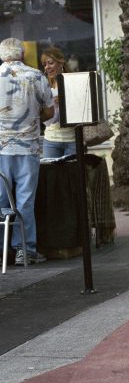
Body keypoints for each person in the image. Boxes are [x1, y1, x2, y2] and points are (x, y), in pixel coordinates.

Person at [0, 38, 55, 265]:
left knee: (1, 199)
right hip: (28, 146)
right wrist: (32, 116)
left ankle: (2, 251)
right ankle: (25, 249)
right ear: (22, 54)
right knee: (25, 200)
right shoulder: (36, 76)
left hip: (1, 149)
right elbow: (50, 112)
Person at [39, 46, 77, 159]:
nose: (47, 67)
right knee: (51, 171)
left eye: (50, 63)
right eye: (45, 64)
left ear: (61, 63)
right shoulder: (45, 85)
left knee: (72, 171)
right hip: (50, 140)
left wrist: (65, 100)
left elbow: (83, 109)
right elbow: (45, 118)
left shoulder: (74, 81)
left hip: (73, 140)